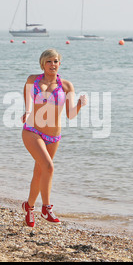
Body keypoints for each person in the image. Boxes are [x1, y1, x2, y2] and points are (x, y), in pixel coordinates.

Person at [21, 49, 87, 227]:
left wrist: (80, 104)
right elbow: (27, 95)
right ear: (43, 64)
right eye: (49, 61)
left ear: (60, 64)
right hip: (32, 131)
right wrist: (27, 110)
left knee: (40, 172)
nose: (53, 64)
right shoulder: (32, 80)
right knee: (49, 167)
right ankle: (46, 208)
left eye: (56, 61)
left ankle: (29, 207)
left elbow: (70, 114)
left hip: (53, 137)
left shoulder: (66, 86)